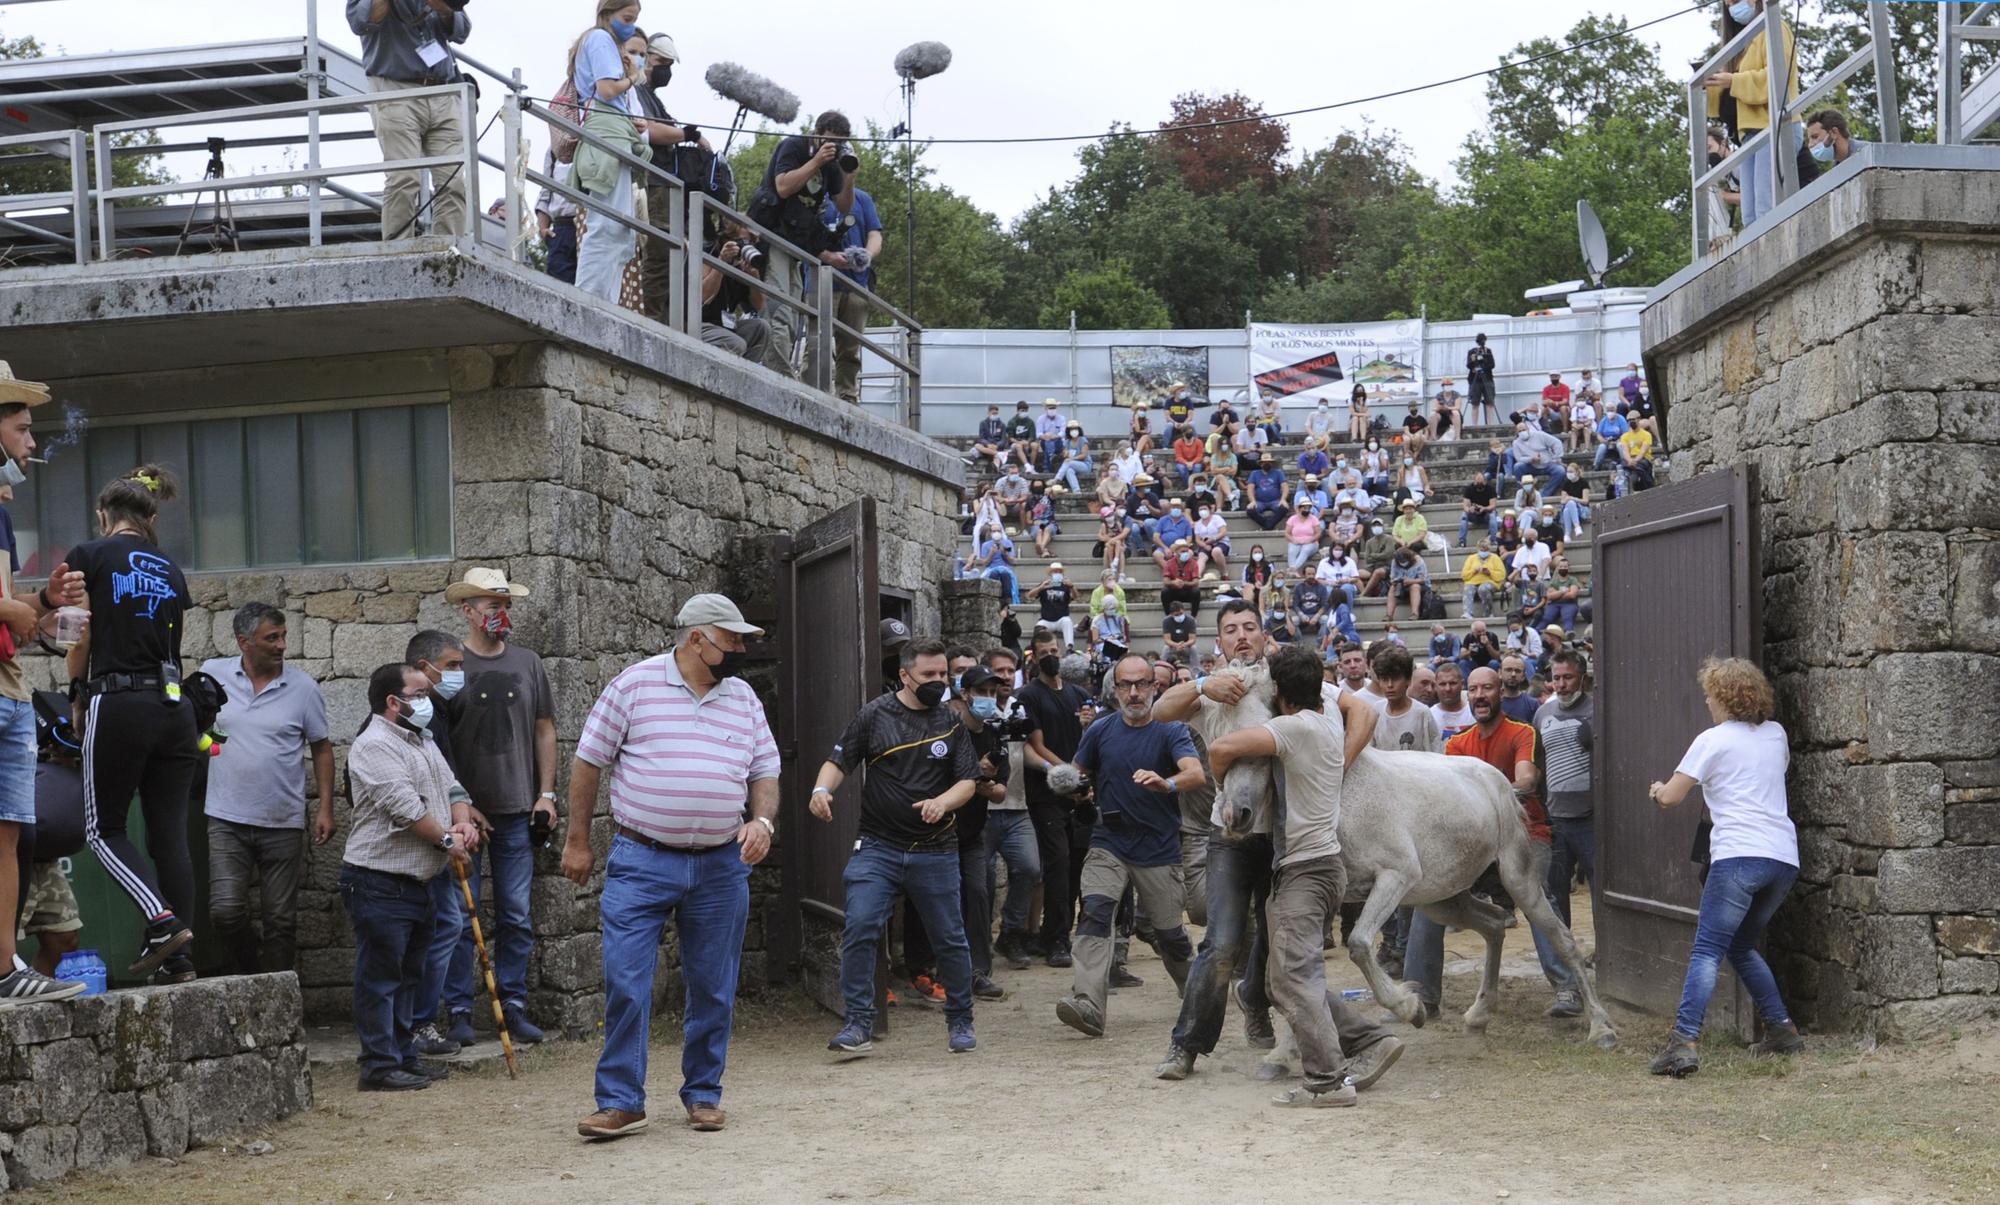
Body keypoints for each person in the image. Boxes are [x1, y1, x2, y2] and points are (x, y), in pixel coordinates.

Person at [561, 595, 776, 1137]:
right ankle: (620, 1100)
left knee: (714, 984)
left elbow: (765, 772)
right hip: (642, 858)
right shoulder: (633, 685)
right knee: (627, 981)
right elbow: (589, 761)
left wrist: (763, 822)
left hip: (721, 865)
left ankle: (703, 1094)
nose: (742, 648)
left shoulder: (745, 699)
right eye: (732, 639)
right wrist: (577, 841)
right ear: (696, 638)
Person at [1203, 643, 1401, 1107]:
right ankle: (1369, 1039)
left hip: (1305, 870)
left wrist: (1220, 785)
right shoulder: (1328, 719)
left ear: (1282, 697)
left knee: (1294, 976)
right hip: (1313, 867)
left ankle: (1329, 1080)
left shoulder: (1294, 728)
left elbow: (1220, 747)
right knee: (1282, 979)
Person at [811, 638, 979, 1057]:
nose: (938, 682)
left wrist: (943, 802)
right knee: (861, 927)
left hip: (936, 849)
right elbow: (839, 759)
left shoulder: (952, 722)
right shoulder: (874, 715)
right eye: (929, 675)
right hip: (878, 847)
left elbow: (969, 781)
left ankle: (960, 1019)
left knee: (950, 938)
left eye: (943, 674)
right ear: (905, 675)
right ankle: (858, 1022)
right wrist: (821, 790)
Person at [67, 467, 203, 981]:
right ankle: (180, 960)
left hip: (119, 701)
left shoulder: (90, 555)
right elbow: (174, 644)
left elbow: (79, 634)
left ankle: (162, 922)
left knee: (103, 830)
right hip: (174, 706)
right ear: (149, 518)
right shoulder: (169, 566)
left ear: (105, 515)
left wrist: (78, 694)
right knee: (170, 836)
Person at [1647, 657, 1803, 1075]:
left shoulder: (1711, 740)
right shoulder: (1775, 734)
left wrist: (1658, 790)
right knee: (1740, 946)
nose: (1707, 702)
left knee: (1707, 951)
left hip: (1738, 856)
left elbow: (1673, 798)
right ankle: (1782, 1030)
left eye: (1710, 695)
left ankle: (1683, 1042)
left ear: (1724, 698)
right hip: (1782, 858)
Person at [1402, 666, 1576, 1020]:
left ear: (1500, 692)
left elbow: (1526, 777)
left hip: (1525, 832)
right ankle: (1420, 994)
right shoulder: (1455, 744)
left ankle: (1568, 986)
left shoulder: (1521, 732)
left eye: (1487, 688)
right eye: (1474, 689)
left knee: (1536, 894)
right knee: (1428, 894)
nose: (1480, 695)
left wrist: (1491, 798)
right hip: (1471, 843)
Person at [343, 662, 481, 1092]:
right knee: (381, 976)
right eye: (419, 694)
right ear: (393, 701)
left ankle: (403, 1054)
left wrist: (462, 823)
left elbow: (453, 787)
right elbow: (405, 809)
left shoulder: (422, 739)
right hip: (379, 879)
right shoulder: (373, 746)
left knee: (408, 975)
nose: (427, 701)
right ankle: (379, 1064)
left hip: (417, 881)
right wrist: (449, 841)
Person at [1052, 656, 1202, 1037]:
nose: (1133, 693)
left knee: (1169, 934)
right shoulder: (1100, 731)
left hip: (1158, 849)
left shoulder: (1171, 731)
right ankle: (1088, 1003)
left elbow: (1195, 774)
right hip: (1109, 843)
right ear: (1114, 689)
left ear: (1155, 687)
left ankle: (1199, 996)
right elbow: (1076, 774)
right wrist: (1077, 792)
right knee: (1095, 915)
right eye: (1125, 685)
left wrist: (1165, 783)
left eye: (1141, 684)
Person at [440, 568, 557, 1048]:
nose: (501, 615)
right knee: (457, 918)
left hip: (515, 812)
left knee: (515, 914)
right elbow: (437, 742)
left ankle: (513, 1005)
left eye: (505, 605)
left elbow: (544, 728)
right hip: (463, 818)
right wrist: (460, 804)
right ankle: (459, 1012)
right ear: (467, 611)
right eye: (492, 606)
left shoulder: (528, 663)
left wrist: (545, 794)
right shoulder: (449, 665)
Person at [200, 603, 334, 977]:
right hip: (225, 817)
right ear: (244, 642)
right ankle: (252, 977)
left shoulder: (303, 688)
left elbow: (322, 748)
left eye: (283, 636)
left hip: (282, 820)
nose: (281, 646)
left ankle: (278, 999)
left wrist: (325, 808)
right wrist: (213, 741)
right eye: (271, 638)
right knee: (225, 911)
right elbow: (201, 727)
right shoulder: (213, 674)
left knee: (281, 921)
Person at [346, 0, 471, 241]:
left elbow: (462, 29)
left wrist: (440, 5)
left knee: (453, 181)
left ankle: (449, 250)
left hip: (442, 91)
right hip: (396, 89)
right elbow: (362, 21)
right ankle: (397, 251)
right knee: (404, 177)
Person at [753, 110, 859, 379]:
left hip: (798, 243)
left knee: (794, 313)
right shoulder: (794, 146)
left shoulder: (832, 163)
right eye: (830, 141)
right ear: (817, 133)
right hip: (773, 233)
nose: (833, 148)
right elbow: (782, 187)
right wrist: (815, 161)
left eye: (839, 144)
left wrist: (850, 177)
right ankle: (778, 373)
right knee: (780, 308)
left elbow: (843, 205)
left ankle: (781, 368)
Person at [1018, 630, 1096, 968]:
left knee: (1077, 867)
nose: (1050, 655)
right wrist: (1068, 774)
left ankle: (1070, 933)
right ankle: (1055, 940)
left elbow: (1091, 740)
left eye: (1054, 650)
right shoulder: (1029, 696)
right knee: (1058, 865)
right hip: (1047, 794)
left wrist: (1084, 781)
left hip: (1079, 795)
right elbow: (1036, 747)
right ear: (1033, 656)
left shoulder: (1078, 694)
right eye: (1043, 651)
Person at [565, 5, 652, 304]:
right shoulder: (600, 39)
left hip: (615, 133)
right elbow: (605, 90)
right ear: (609, 12)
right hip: (607, 135)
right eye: (628, 19)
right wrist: (633, 77)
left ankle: (605, 302)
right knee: (607, 226)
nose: (630, 26)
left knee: (621, 234)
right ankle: (589, 299)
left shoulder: (601, 41)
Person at [1707, 0, 1799, 229]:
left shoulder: (1775, 27)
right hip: (1750, 135)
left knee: (1765, 209)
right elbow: (1726, 103)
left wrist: (1733, 80)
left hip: (1774, 126)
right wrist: (1708, 86)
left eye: (1736, 1)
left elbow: (1777, 78)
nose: (1732, 7)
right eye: (1728, 4)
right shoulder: (1740, 46)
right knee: (1750, 217)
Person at [812, 183, 884, 402]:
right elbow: (803, 235)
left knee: (850, 349)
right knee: (817, 343)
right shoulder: (815, 195)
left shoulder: (863, 198)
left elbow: (875, 235)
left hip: (856, 284)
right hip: (820, 282)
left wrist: (867, 255)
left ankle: (848, 396)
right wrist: (828, 256)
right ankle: (812, 392)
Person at [698, 222, 774, 365]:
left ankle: (746, 377)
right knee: (736, 344)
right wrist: (722, 263)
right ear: (726, 240)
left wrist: (753, 279)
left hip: (724, 328)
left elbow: (759, 305)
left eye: (751, 242)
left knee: (761, 328)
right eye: (742, 242)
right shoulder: (708, 254)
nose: (746, 246)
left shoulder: (742, 265)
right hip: (699, 324)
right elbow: (704, 296)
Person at [534, 148, 581, 284]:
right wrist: (543, 229)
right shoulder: (554, 150)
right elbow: (545, 191)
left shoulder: (594, 141)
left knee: (590, 292)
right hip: (562, 228)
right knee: (559, 286)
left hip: (590, 226)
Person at [1027, 563, 1077, 652]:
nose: (1057, 573)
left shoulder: (1066, 585)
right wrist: (1040, 588)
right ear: (1050, 573)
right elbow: (1030, 595)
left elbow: (1075, 596)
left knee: (1068, 621)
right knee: (1039, 627)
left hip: (1061, 619)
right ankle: (1038, 650)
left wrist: (1072, 587)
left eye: (1059, 571)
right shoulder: (1044, 584)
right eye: (1055, 571)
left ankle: (1069, 648)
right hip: (1046, 620)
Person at [1430, 660, 1474, 738]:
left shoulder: (1474, 712)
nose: (1448, 689)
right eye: (1442, 684)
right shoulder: (1429, 716)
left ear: (1462, 684)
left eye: (1453, 683)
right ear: (1435, 687)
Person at [1464, 333, 1497, 426]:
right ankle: (1475, 424)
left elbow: (1492, 365)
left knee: (1490, 402)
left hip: (1487, 378)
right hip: (1475, 379)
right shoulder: (1472, 351)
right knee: (1475, 403)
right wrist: (1474, 360)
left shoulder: (1488, 351)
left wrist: (1484, 360)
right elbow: (1469, 365)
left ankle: (1490, 424)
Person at [1459, 471, 1498, 547]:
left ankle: (1493, 540)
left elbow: (1493, 505)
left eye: (1481, 481)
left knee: (1492, 515)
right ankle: (1462, 541)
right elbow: (1465, 506)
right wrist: (1470, 509)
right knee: (1464, 516)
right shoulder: (1469, 489)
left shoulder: (1490, 489)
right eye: (1477, 481)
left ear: (1485, 481)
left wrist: (1484, 508)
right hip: (1474, 515)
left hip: (1486, 513)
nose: (1479, 484)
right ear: (1474, 481)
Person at [1055, 422, 1093, 494]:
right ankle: (1076, 490)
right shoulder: (1067, 442)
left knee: (1068, 462)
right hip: (1072, 465)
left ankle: (1057, 479)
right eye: (1072, 429)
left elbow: (1084, 455)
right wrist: (1065, 453)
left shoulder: (1083, 440)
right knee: (1069, 471)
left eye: (1075, 429)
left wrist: (1072, 459)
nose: (1074, 431)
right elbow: (1065, 453)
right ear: (1068, 431)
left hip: (1085, 465)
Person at [970, 405, 1009, 472]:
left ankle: (996, 457)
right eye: (993, 413)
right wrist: (988, 444)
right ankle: (998, 454)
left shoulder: (1002, 425)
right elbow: (981, 438)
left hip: (997, 447)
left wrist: (996, 445)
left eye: (996, 413)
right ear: (988, 413)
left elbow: (1003, 440)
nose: (995, 415)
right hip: (986, 447)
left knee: (977, 447)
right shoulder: (983, 423)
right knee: (977, 445)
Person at [1005, 401, 1039, 471]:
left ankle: (1032, 466)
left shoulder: (1030, 422)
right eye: (1022, 410)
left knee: (1035, 445)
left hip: (1027, 443)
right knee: (1018, 446)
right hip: (1015, 444)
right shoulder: (1012, 422)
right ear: (1018, 410)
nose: (1024, 412)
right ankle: (1027, 466)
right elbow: (1011, 438)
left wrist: (1027, 442)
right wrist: (1019, 442)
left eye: (1026, 411)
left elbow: (1032, 436)